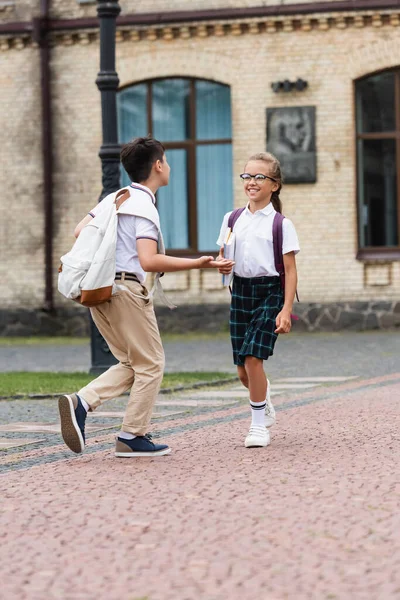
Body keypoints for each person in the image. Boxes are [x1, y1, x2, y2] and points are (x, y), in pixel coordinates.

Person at [58, 135, 234, 458]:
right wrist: (199, 262)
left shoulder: (116, 198)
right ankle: (131, 435)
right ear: (157, 165)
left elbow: (79, 232)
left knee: (132, 362)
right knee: (152, 363)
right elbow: (148, 260)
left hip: (101, 291)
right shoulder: (144, 206)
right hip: (128, 292)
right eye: (165, 160)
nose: (168, 166)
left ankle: (81, 402)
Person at [216, 152, 300, 448]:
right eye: (247, 176)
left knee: (254, 359)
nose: (252, 182)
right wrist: (221, 264)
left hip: (270, 294)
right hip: (240, 292)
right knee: (243, 370)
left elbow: (290, 270)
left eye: (259, 177)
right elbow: (223, 255)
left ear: (274, 185)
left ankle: (257, 427)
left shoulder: (281, 224)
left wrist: (286, 310)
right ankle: (263, 401)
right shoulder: (232, 218)